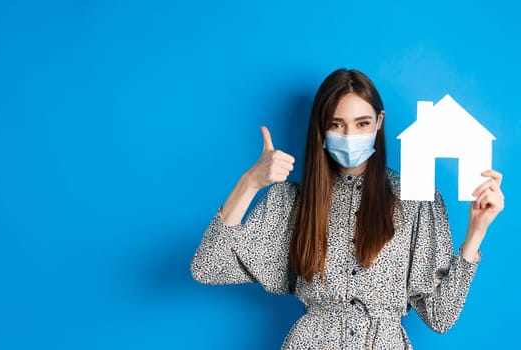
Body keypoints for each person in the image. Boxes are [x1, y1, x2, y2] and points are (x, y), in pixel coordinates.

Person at [191, 68, 505, 349]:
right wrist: (249, 183)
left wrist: (476, 232)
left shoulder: (417, 200)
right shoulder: (290, 201)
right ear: (321, 128)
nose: (350, 136)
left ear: (379, 123)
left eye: (362, 123)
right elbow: (207, 268)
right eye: (337, 124)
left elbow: (441, 317)